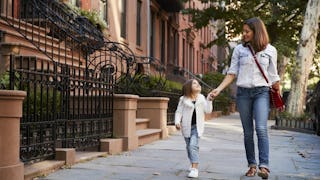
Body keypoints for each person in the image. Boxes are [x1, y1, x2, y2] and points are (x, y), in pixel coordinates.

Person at [210, 17, 280, 179]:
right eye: (243, 31)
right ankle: (252, 165)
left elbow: (274, 76)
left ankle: (264, 166)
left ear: (257, 32)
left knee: (261, 128)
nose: (244, 34)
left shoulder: (270, 50)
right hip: (243, 94)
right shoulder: (239, 50)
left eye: (247, 31)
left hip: (262, 92)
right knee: (248, 132)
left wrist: (278, 96)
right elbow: (232, 73)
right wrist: (218, 89)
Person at [175, 79, 214, 178]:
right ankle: (192, 162)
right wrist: (177, 122)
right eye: (194, 83)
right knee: (189, 147)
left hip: (197, 127)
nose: (198, 85)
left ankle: (194, 168)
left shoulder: (201, 98)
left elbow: (208, 111)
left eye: (198, 83)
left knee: (193, 146)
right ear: (189, 87)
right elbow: (179, 112)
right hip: (187, 127)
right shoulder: (183, 99)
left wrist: (209, 100)